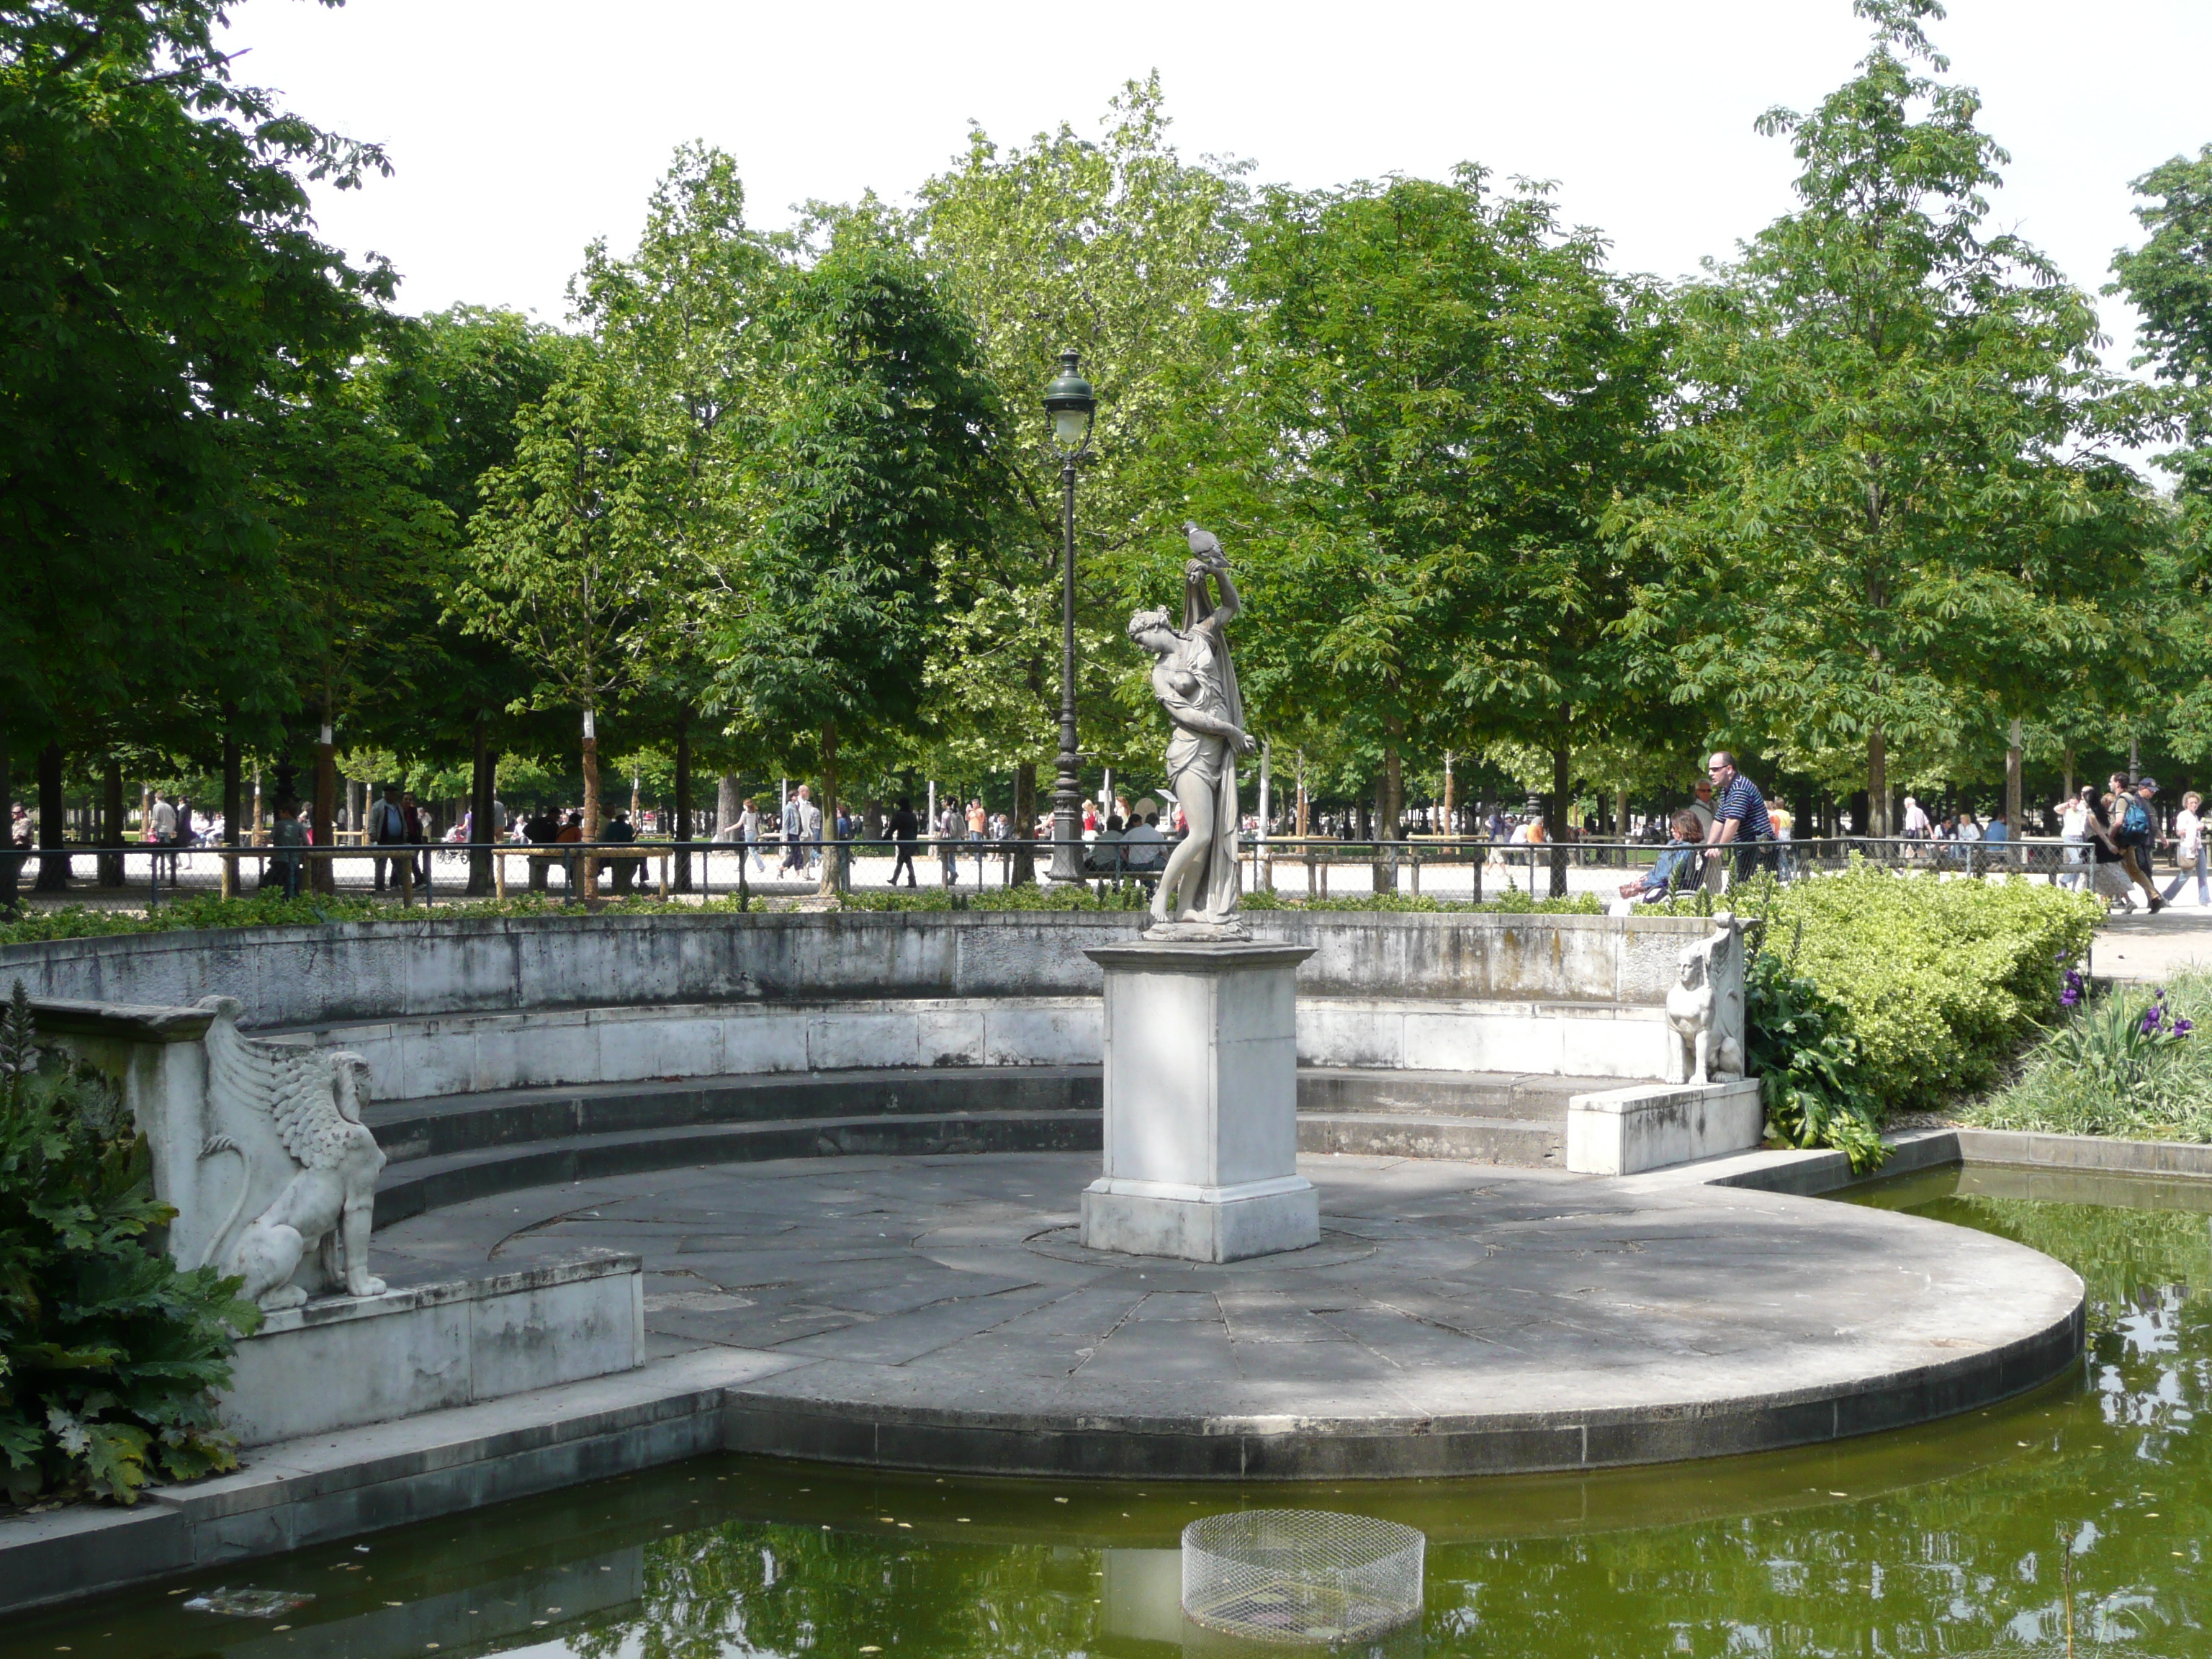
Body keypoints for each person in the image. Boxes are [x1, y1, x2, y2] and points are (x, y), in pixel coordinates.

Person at [1702, 752, 1773, 886]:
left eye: (1715, 769)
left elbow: (1733, 820)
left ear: (1729, 769)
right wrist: (1709, 847)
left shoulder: (1740, 787)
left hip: (1758, 848)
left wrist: (1720, 849)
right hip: (1745, 847)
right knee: (1737, 889)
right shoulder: (1726, 790)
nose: (1711, 773)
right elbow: (1720, 819)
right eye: (1710, 770)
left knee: (1750, 891)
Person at [1619, 811, 1704, 907]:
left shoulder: (1686, 849)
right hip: (1656, 886)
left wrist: (1644, 885)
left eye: (1674, 827)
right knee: (1619, 904)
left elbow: (1670, 875)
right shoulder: (1673, 844)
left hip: (1663, 890)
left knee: (1621, 906)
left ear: (1683, 828)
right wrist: (1644, 879)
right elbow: (1658, 869)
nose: (1672, 830)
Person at [2113, 773, 2164, 912]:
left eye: (2111, 781)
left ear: (2117, 783)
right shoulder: (2136, 800)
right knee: (2135, 870)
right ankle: (2154, 896)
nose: (2153, 792)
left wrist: (2110, 839)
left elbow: (2118, 822)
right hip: (2133, 840)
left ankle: (2107, 904)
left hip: (2123, 840)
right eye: (2151, 789)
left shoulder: (2124, 799)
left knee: (2110, 868)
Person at [2163, 791, 2207, 907]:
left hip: (2198, 847)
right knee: (2185, 875)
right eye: (2191, 803)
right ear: (2186, 804)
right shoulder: (2183, 815)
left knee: (2203, 874)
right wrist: (2195, 829)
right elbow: (2180, 831)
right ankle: (2166, 896)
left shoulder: (2195, 816)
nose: (2194, 805)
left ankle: (2205, 899)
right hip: (2187, 847)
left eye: (2196, 803)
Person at [370, 785, 410, 893]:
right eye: (392, 794)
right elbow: (373, 822)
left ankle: (399, 884)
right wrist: (372, 834)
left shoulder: (398, 806)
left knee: (399, 864)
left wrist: (405, 834)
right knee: (381, 864)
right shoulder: (378, 806)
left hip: (397, 839)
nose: (394, 796)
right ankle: (379, 887)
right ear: (387, 794)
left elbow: (403, 821)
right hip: (383, 839)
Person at [268, 797, 307, 898]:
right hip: (294, 859)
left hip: (279, 858)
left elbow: (269, 839)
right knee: (293, 884)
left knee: (278, 885)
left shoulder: (278, 825)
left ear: (286, 812)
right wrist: (304, 854)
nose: (279, 814)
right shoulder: (299, 826)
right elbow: (307, 842)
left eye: (280, 812)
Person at [2057, 791, 2091, 890]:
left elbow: (2087, 813)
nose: (2074, 805)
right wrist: (2066, 805)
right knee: (2076, 859)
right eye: (2072, 803)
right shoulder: (2066, 811)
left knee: (2079, 862)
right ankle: (2064, 879)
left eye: (2075, 803)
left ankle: (2074, 887)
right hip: (2069, 836)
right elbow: (2056, 809)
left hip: (2079, 836)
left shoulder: (2081, 811)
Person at [603, 807, 639, 894]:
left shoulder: (611, 826)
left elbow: (607, 838)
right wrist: (636, 834)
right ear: (624, 817)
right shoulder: (628, 827)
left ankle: (616, 886)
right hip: (626, 852)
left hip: (611, 851)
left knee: (616, 870)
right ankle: (627, 883)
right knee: (633, 866)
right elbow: (630, 841)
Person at [889, 797, 920, 888]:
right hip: (911, 840)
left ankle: (911, 881)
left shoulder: (899, 815)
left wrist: (885, 838)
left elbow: (892, 828)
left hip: (902, 840)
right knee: (902, 860)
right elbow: (916, 830)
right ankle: (896, 879)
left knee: (906, 860)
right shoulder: (913, 816)